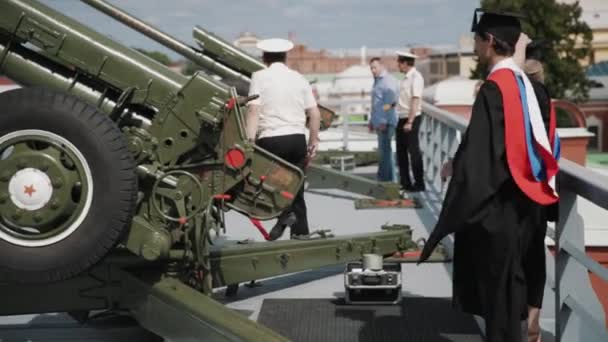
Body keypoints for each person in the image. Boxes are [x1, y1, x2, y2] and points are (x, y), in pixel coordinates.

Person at [419, 9, 560, 342]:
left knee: (500, 298)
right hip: (527, 201)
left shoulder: (495, 88)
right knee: (517, 287)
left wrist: (455, 210)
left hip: (500, 207)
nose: (475, 47)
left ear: (491, 41)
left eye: (478, 40)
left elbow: (481, 159)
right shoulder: (524, 83)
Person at [245, 38, 321, 241]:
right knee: (296, 189)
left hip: (271, 140)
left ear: (264, 58)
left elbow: (253, 109)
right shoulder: (299, 78)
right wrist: (313, 142)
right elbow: (314, 114)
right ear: (285, 57)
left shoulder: (259, 77)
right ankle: (301, 235)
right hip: (296, 140)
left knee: (264, 185)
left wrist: (249, 141)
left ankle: (285, 216)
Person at [395, 51, 425, 192]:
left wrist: (410, 121)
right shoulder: (405, 78)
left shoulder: (415, 77)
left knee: (413, 152)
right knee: (401, 152)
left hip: (411, 118)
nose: (398, 65)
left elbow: (415, 100)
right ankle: (405, 182)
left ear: (406, 63)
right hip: (401, 118)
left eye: (399, 62)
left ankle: (419, 183)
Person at [368, 57, 399, 182]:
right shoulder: (377, 81)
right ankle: (383, 178)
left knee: (386, 152)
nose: (373, 70)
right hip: (378, 121)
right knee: (383, 152)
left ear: (382, 66)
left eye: (375, 67)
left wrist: (383, 122)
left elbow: (390, 103)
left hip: (385, 123)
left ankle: (390, 181)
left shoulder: (387, 81)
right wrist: (372, 120)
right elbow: (376, 103)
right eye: (371, 68)